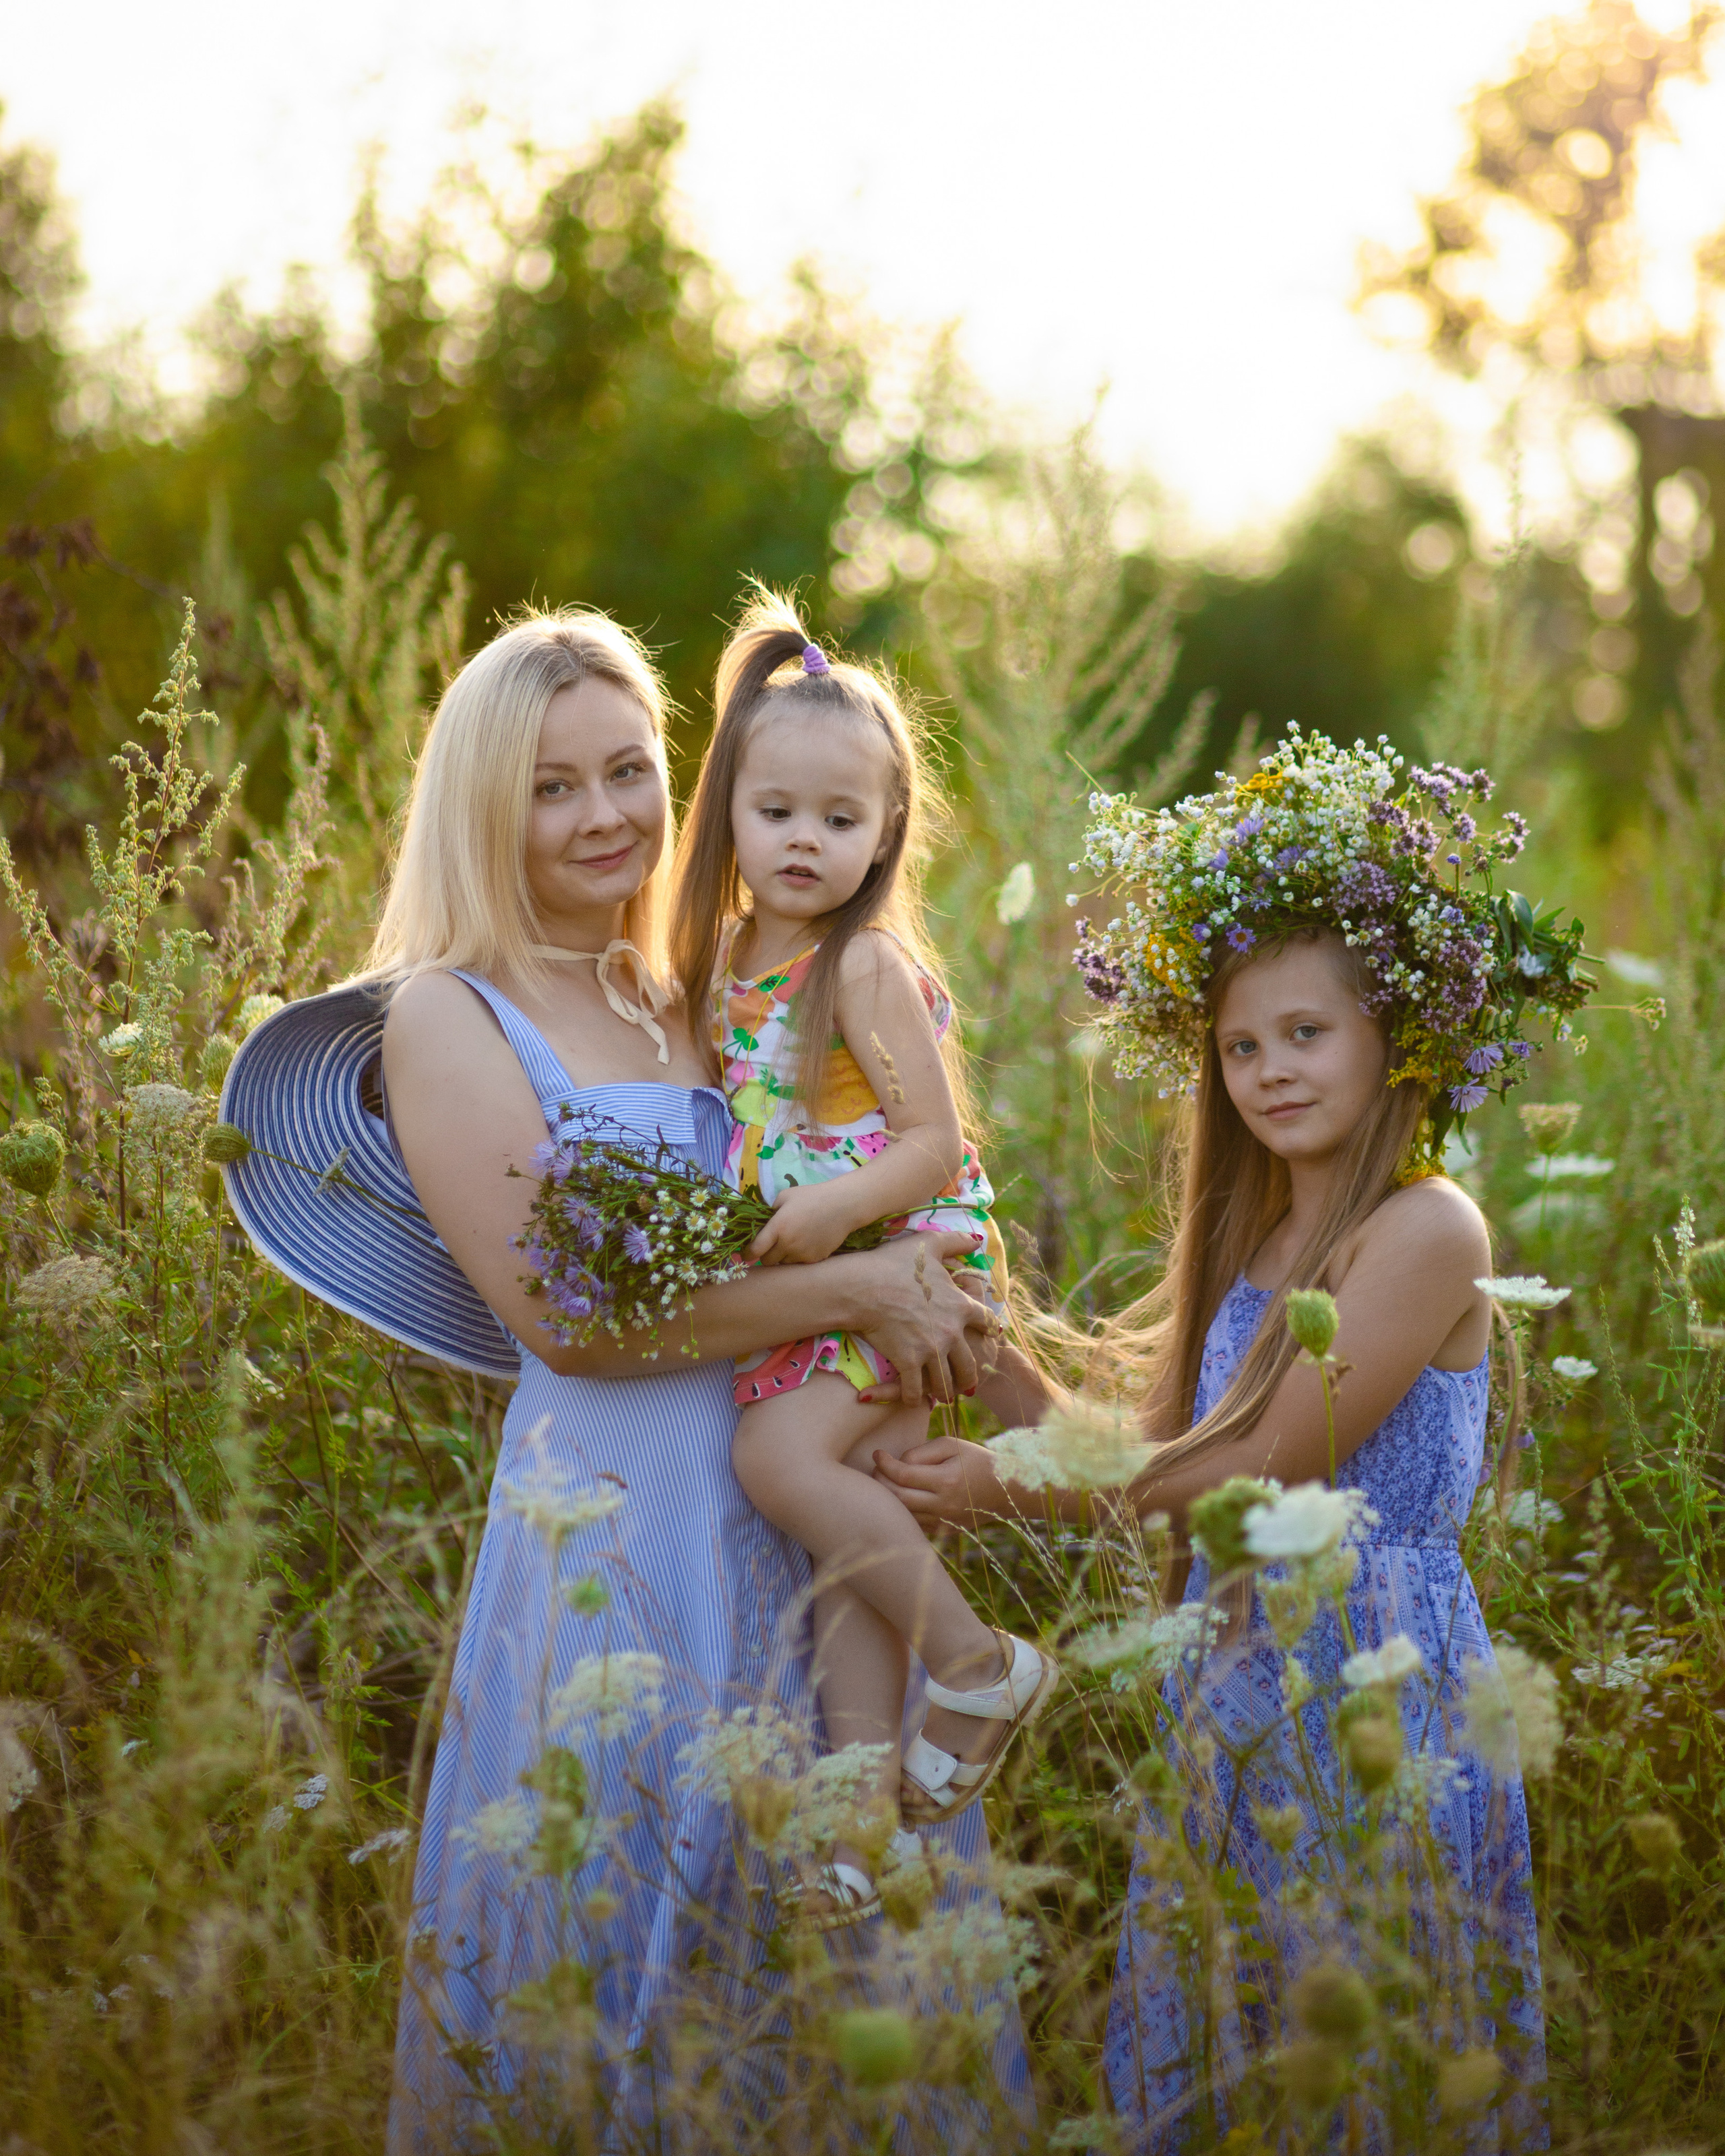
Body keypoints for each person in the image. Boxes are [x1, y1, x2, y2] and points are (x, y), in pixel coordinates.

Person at [220, 608, 1028, 2153]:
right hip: (615, 1520)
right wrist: (851, 1284)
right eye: (550, 785)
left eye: (631, 771)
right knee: (614, 1917)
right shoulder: (451, 1012)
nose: (605, 815)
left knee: (825, 1944)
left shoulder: (698, 982)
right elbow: (566, 1324)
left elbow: (900, 1182)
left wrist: (1058, 1440)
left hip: (786, 1503)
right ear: (481, 803)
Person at [875, 734, 1583, 2149]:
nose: (1266, 1071)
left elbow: (1258, 1469)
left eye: (1303, 1035)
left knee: (1357, 2023)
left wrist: (1008, 1489)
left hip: (1375, 1684)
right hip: (1239, 1674)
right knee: (1245, 2036)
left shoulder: (1426, 1229)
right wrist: (996, 1366)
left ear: (1391, 1033)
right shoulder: (1253, 1233)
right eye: (1239, 1045)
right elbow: (1159, 1452)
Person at [668, 592, 1057, 1927]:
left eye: (840, 821)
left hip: (904, 1258)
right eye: (777, 811)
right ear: (728, 809)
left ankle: (976, 1658)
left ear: (886, 832)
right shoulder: (725, 958)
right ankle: (852, 1823)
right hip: (836, 1270)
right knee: (849, 1540)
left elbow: (932, 1141)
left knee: (779, 1466)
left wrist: (831, 1219)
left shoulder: (863, 964)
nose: (803, 841)